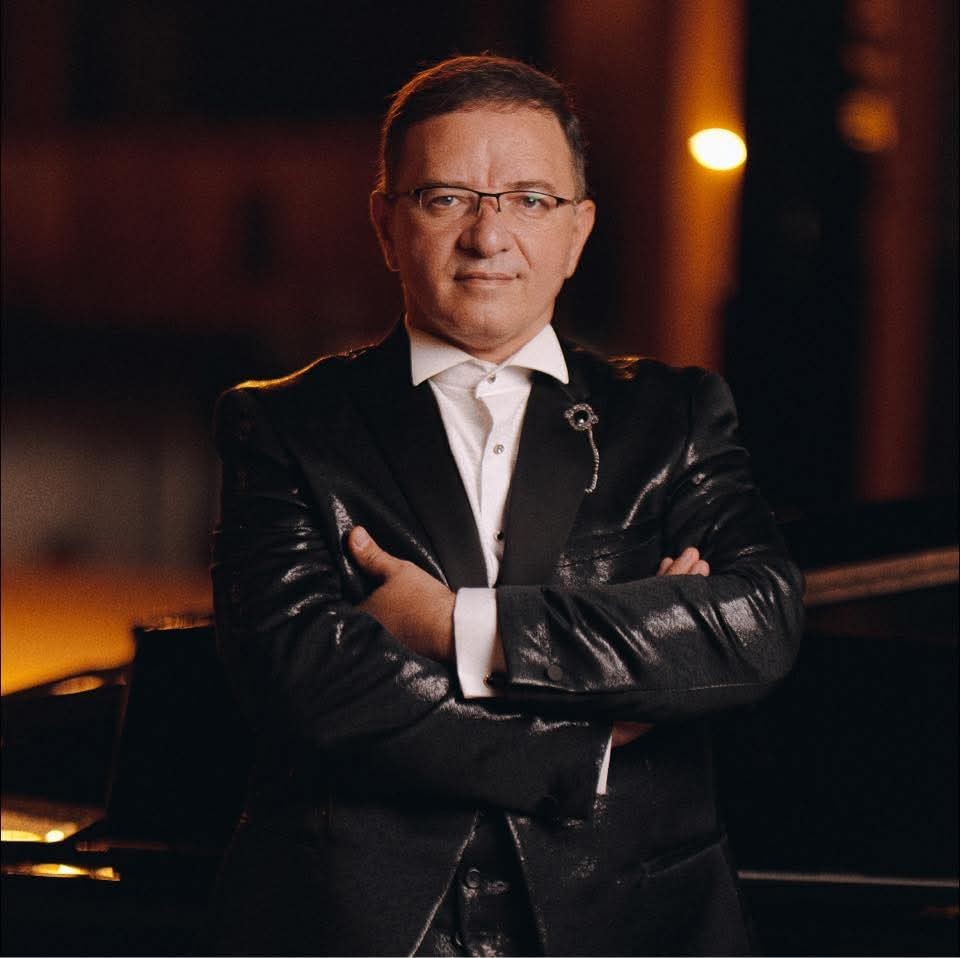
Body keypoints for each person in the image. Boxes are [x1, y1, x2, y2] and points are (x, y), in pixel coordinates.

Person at [208, 54, 804, 956]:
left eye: (530, 199)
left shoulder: (675, 416)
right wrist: (586, 740)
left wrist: (454, 627)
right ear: (385, 223)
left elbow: (755, 626)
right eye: (446, 198)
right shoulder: (283, 423)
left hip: (632, 923)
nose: (489, 237)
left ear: (578, 230)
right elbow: (303, 676)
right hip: (359, 928)